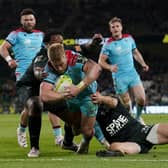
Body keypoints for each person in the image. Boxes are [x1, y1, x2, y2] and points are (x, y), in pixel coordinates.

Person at [40, 43, 101, 154]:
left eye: (61, 64)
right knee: (76, 129)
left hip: (88, 95)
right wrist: (63, 95)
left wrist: (78, 88)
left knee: (87, 132)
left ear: (65, 57)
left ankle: (85, 143)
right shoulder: (49, 67)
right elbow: (44, 94)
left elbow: (96, 68)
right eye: (55, 65)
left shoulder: (75, 59)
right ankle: (69, 142)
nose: (58, 68)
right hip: (71, 98)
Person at [0, 8, 44, 146]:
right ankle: (21, 130)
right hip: (24, 76)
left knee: (50, 104)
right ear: (21, 21)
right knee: (29, 106)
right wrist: (9, 60)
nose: (29, 22)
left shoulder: (41, 35)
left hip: (40, 75)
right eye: (26, 20)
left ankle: (59, 136)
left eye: (31, 19)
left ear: (35, 21)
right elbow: (3, 48)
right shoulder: (15, 34)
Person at [15, 32, 64, 149]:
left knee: (53, 103)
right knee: (33, 105)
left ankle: (59, 138)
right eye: (56, 42)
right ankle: (21, 130)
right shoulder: (42, 55)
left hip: (45, 84)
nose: (60, 45)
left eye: (61, 42)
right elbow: (38, 71)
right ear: (47, 44)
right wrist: (40, 74)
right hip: (29, 85)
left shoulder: (61, 53)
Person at [98, 17, 149, 123]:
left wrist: (143, 63)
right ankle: (131, 119)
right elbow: (101, 62)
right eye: (113, 27)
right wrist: (110, 67)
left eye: (117, 26)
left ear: (121, 27)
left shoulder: (129, 38)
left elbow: (135, 52)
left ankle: (138, 117)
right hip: (119, 77)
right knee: (126, 104)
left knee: (141, 99)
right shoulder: (108, 44)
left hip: (132, 74)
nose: (115, 28)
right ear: (110, 29)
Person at [91, 91, 168, 155]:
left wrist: (101, 98)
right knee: (114, 146)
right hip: (132, 144)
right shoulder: (95, 118)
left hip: (144, 132)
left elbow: (111, 101)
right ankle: (117, 153)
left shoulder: (116, 105)